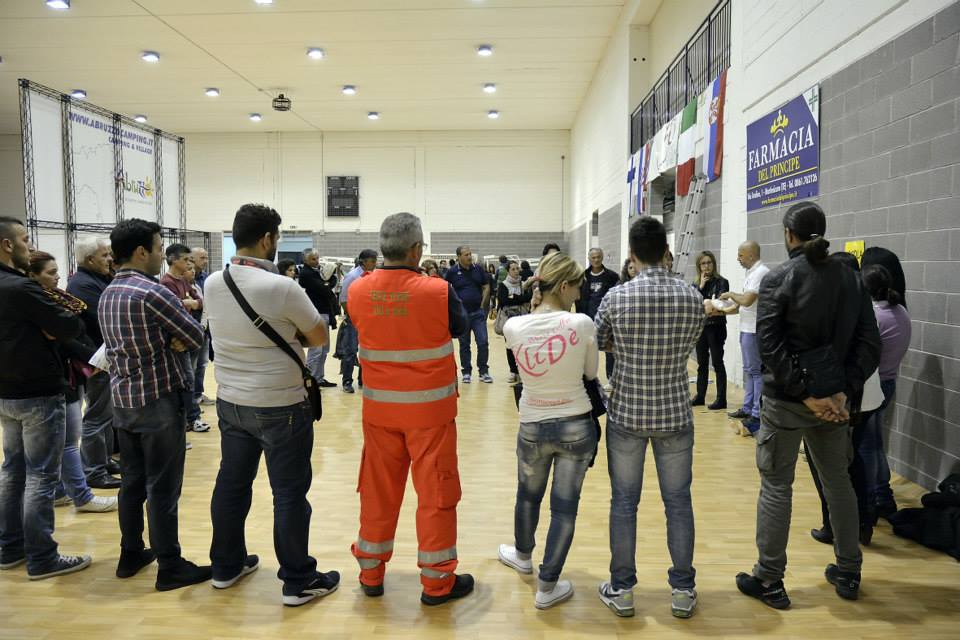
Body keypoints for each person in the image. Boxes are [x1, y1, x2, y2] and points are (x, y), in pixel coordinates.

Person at [736, 202, 880, 608]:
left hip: (788, 402)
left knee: (777, 486)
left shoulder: (779, 277)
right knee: (838, 482)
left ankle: (769, 579)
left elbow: (769, 347)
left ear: (788, 235)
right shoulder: (851, 278)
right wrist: (842, 392)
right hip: (833, 403)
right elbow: (869, 343)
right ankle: (849, 570)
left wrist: (806, 394)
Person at [206, 204, 340, 607]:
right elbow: (318, 338)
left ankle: (225, 566)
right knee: (289, 494)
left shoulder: (213, 282)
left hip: (231, 402)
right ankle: (298, 580)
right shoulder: (281, 287)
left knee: (231, 485)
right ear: (268, 239)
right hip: (280, 404)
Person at [349, 212, 473, 606]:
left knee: (377, 493)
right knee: (436, 494)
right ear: (416, 249)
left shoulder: (357, 290)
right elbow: (460, 328)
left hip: (379, 414)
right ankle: (437, 582)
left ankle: (370, 573)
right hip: (430, 415)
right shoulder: (438, 291)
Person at [594, 217, 705, 619]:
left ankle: (622, 589)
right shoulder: (692, 296)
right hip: (675, 412)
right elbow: (693, 340)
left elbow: (600, 341)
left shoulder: (616, 297)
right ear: (666, 252)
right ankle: (683, 589)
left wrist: (626, 348)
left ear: (632, 254)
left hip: (627, 412)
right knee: (678, 503)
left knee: (624, 503)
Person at [99, 218, 211, 591]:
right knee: (162, 487)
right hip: (158, 401)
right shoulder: (152, 292)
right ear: (141, 251)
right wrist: (170, 339)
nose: (162, 256)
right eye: (160, 249)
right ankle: (170, 565)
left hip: (123, 401)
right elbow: (194, 335)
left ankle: (131, 552)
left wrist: (169, 338)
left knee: (132, 483)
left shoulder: (108, 292)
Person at [498, 252, 597, 609]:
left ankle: (523, 556)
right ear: (565, 285)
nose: (580, 293)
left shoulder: (514, 326)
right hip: (576, 425)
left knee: (528, 495)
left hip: (532, 425)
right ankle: (548, 586)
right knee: (564, 509)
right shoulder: (582, 323)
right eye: (578, 286)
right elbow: (590, 374)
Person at [0, 216, 91, 580]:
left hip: (6, 393)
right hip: (37, 392)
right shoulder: (21, 288)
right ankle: (42, 558)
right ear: (8, 245)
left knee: (13, 471)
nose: (30, 246)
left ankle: (10, 549)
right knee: (40, 476)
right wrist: (51, 325)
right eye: (25, 239)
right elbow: (70, 325)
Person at [27, 252, 117, 515]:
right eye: (50, 273)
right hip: (52, 377)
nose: (57, 277)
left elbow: (73, 329)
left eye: (57, 271)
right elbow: (66, 335)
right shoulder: (38, 301)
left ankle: (61, 491)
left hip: (67, 372)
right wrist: (94, 358)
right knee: (67, 440)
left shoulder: (56, 297)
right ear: (32, 275)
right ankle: (82, 494)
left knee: (59, 443)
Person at [66, 236, 121, 489]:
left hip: (105, 357)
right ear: (90, 259)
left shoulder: (98, 279)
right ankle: (94, 470)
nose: (110, 259)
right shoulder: (82, 284)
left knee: (106, 415)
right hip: (96, 360)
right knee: (97, 417)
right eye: (105, 255)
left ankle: (104, 460)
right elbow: (105, 317)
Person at [860, 263, 911, 520]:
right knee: (875, 442)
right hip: (889, 380)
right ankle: (883, 494)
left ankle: (871, 499)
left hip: (874, 384)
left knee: (868, 445)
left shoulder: (875, 316)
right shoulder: (900, 310)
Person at [718, 241, 770, 433]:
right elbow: (741, 306)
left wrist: (731, 294)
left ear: (751, 255)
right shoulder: (751, 273)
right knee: (749, 370)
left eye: (740, 255)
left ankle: (756, 413)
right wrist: (720, 310)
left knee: (755, 372)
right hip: (747, 328)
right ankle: (748, 408)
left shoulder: (761, 272)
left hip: (755, 329)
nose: (738, 259)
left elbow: (747, 300)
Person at [159, 244, 208, 433]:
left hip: (187, 337)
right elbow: (174, 311)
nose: (190, 264)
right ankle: (191, 418)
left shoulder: (183, 281)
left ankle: (190, 417)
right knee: (186, 378)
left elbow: (202, 301)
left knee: (191, 375)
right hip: (176, 341)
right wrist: (190, 304)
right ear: (173, 260)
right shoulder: (167, 283)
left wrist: (193, 303)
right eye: (186, 260)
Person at [445, 245, 492, 384]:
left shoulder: (478, 269)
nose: (470, 257)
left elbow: (486, 286)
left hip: (478, 313)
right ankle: (466, 372)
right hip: (462, 315)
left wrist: (483, 304)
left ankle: (483, 371)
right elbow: (444, 287)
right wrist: (454, 306)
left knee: (483, 342)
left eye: (470, 254)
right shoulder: (452, 272)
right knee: (464, 344)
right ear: (459, 257)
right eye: (466, 255)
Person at [691, 250, 729, 410]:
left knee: (718, 362)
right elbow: (694, 304)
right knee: (702, 363)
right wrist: (700, 287)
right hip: (701, 327)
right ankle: (700, 396)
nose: (706, 266)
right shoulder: (695, 284)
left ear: (713, 264)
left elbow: (719, 305)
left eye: (709, 263)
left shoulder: (722, 282)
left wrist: (708, 305)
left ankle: (721, 399)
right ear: (699, 266)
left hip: (716, 326)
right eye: (703, 263)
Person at [337, 249, 378, 394]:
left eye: (375, 261)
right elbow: (343, 299)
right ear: (363, 262)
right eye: (372, 261)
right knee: (351, 351)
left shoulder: (373, 275)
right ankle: (347, 381)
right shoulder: (353, 276)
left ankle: (363, 379)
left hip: (369, 319)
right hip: (354, 319)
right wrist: (351, 316)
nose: (375, 264)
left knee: (366, 351)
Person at [577, 248, 619, 385]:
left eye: (598, 257)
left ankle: (611, 378)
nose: (596, 260)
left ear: (602, 257)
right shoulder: (583, 276)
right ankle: (586, 378)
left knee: (610, 349)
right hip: (587, 318)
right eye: (593, 257)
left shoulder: (612, 276)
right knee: (586, 349)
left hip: (607, 320)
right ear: (589, 258)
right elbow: (578, 298)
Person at [299, 249, 338, 389]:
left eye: (317, 258)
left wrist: (329, 281)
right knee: (316, 349)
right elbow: (325, 290)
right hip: (316, 314)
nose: (317, 261)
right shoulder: (306, 274)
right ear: (305, 260)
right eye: (313, 259)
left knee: (324, 349)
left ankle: (319, 378)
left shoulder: (317, 271)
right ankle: (311, 380)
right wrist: (327, 283)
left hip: (325, 312)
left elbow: (331, 283)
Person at [496, 261, 532, 384]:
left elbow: (529, 297)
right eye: (513, 269)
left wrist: (515, 297)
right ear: (508, 271)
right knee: (510, 345)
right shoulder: (503, 285)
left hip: (523, 318)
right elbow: (504, 300)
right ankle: (513, 371)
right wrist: (519, 299)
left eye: (517, 268)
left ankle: (523, 370)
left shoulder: (523, 284)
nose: (516, 271)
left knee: (523, 345)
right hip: (508, 319)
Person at [190, 247, 214, 408]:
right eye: (202, 258)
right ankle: (191, 400)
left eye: (206, 257)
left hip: (205, 329)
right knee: (191, 366)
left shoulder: (206, 279)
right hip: (192, 329)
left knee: (202, 364)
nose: (206, 261)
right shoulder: (185, 279)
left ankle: (198, 395)